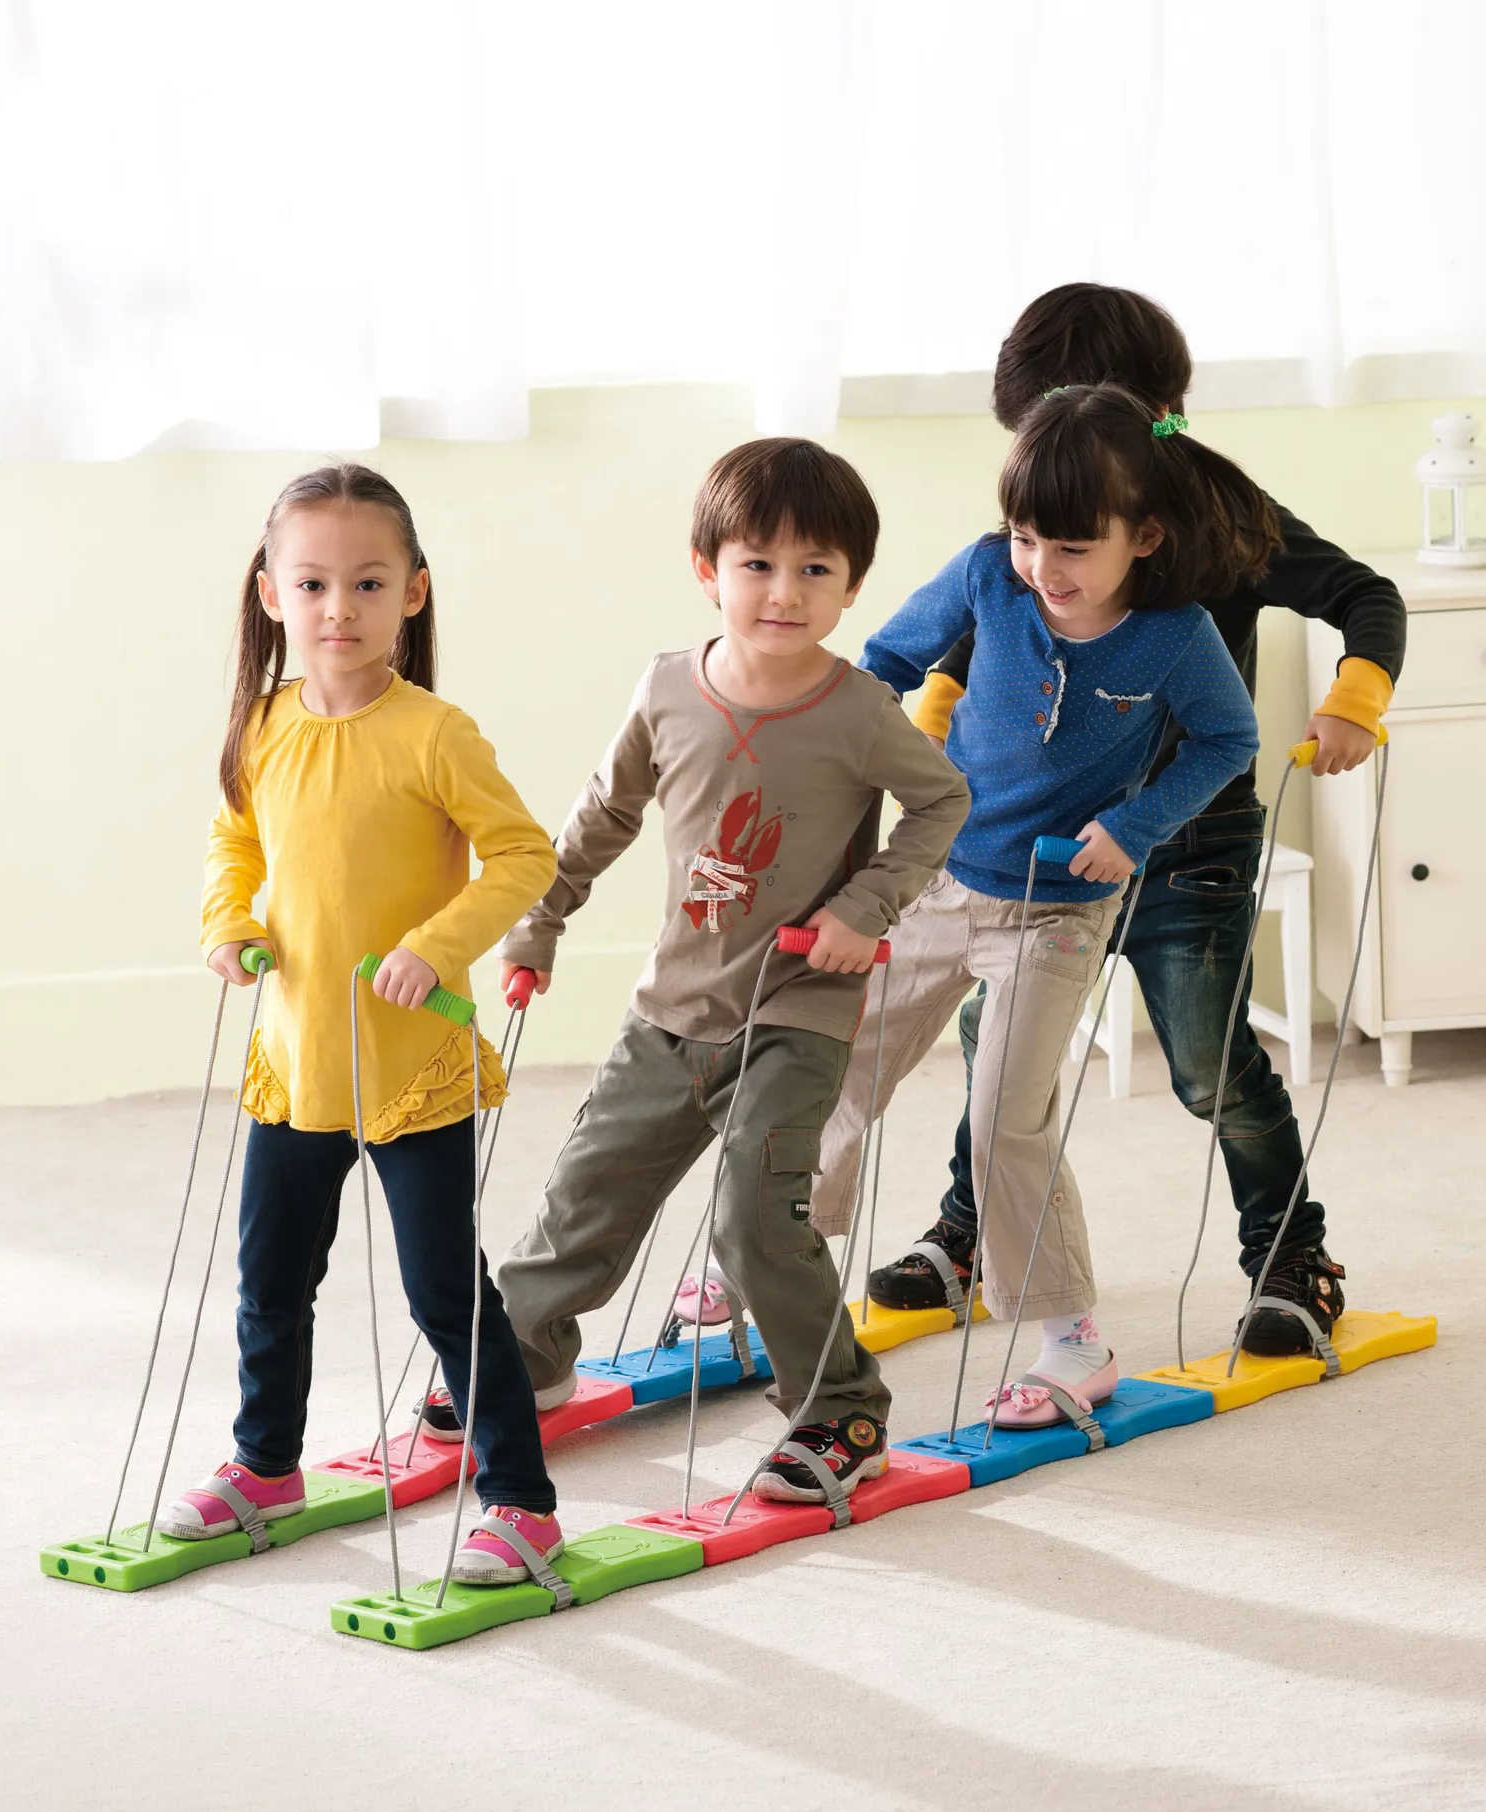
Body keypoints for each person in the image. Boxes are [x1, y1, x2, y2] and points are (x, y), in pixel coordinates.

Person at [870, 284, 1405, 1358]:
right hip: (1033, 858)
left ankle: (1291, 1253)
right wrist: (937, 710)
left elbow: (1365, 594)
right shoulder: (1043, 535)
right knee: (996, 1051)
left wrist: (1355, 698)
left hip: (1186, 844)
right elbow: (996, 625)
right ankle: (969, 1233)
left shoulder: (1225, 521)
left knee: (1208, 1064)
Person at [489, 438, 971, 1506]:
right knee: (584, 1195)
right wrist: (540, 922)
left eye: (815, 569)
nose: (785, 592)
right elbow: (603, 815)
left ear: (851, 586)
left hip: (798, 1007)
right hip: (674, 1005)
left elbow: (944, 800)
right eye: (758, 564)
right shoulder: (668, 687)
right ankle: (528, 1354)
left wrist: (864, 908)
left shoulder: (859, 713)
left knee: (756, 1221)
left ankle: (841, 1410)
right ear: (707, 569)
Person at [809, 384, 1261, 1428]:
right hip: (940, 879)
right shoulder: (987, 576)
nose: (1043, 568)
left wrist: (1136, 827)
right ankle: (772, 1265)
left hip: (1058, 912)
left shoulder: (1177, 637)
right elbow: (884, 663)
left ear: (1143, 537)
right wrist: (860, 756)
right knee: (833, 1065)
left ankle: (1074, 1342)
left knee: (1005, 1117)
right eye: (1025, 539)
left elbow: (1227, 741)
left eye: (1072, 548)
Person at [157, 463, 568, 1590]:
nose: (339, 608)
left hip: (408, 1064)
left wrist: (435, 944)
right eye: (313, 583)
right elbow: (234, 842)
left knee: (445, 1294)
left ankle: (521, 1504)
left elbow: (523, 855)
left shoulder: (434, 733)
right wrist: (229, 923)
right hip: (296, 1061)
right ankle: (264, 1468)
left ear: (413, 593)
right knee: (270, 1282)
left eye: (369, 583)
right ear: (271, 593)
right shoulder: (262, 726)